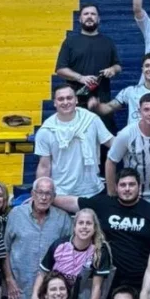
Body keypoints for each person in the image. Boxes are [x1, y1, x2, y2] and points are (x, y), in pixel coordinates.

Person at [64, 169, 150, 299]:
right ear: (116, 187)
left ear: (139, 186)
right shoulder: (103, 204)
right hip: (108, 282)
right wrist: (47, 198)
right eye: (123, 185)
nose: (127, 188)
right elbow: (74, 203)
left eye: (131, 184)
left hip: (141, 282)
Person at [34, 208, 114, 299]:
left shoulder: (100, 251)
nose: (84, 227)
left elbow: (96, 289)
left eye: (88, 223)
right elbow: (42, 273)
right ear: (74, 226)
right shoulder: (60, 245)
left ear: (94, 228)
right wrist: (34, 297)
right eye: (81, 223)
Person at [35, 84, 114, 214]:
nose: (65, 102)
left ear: (76, 100)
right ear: (54, 103)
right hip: (61, 194)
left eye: (69, 98)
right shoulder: (46, 130)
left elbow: (112, 144)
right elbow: (44, 166)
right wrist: (39, 194)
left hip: (92, 191)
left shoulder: (92, 120)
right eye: (61, 99)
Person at [53, 3, 122, 112]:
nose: (89, 16)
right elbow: (60, 70)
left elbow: (118, 66)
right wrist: (81, 78)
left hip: (102, 102)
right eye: (86, 14)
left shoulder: (108, 42)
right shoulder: (70, 42)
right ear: (80, 19)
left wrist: (112, 69)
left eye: (93, 14)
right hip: (74, 102)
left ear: (98, 19)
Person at [89, 52, 150, 124]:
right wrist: (96, 106)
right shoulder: (130, 92)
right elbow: (108, 108)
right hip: (135, 145)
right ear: (142, 69)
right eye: (147, 66)